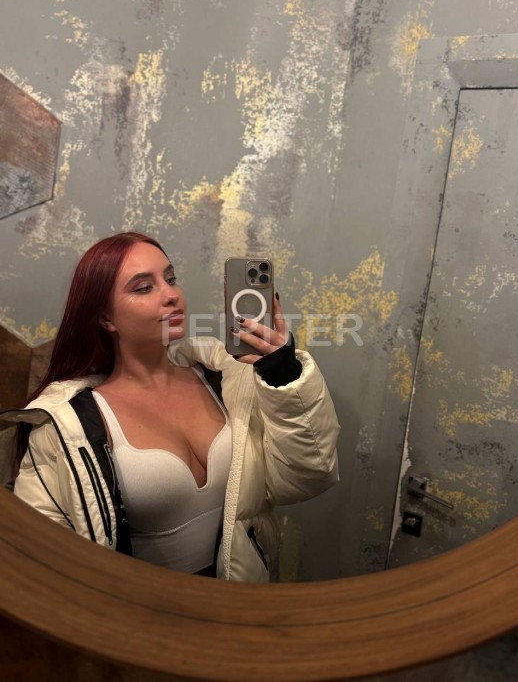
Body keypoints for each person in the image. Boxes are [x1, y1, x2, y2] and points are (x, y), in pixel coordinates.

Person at [2, 232, 339, 582]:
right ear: (105, 318)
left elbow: (307, 479)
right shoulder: (66, 425)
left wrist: (282, 374)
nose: (171, 295)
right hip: (139, 612)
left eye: (171, 278)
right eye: (143, 287)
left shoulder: (225, 381)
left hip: (240, 602)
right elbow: (38, 558)